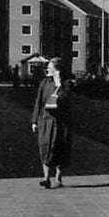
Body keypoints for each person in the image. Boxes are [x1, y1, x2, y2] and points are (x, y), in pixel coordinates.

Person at [32, 57, 73, 189]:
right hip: (46, 120)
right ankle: (46, 178)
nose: (48, 70)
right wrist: (34, 120)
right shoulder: (44, 82)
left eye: (50, 68)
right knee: (45, 147)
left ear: (57, 69)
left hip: (61, 122)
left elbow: (65, 98)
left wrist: (58, 84)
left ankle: (58, 178)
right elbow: (39, 102)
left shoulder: (66, 83)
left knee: (60, 148)